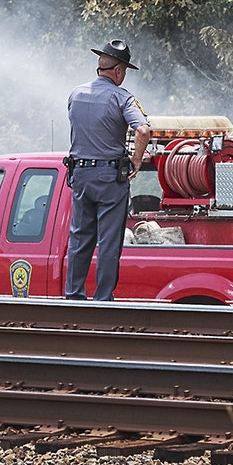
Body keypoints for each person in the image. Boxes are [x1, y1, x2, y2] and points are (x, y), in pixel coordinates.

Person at [64, 38, 151, 301]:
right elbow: (143, 130)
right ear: (119, 71)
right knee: (109, 242)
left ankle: (74, 296)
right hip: (110, 179)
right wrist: (136, 160)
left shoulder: (75, 94)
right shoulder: (122, 98)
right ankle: (102, 299)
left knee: (80, 238)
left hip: (80, 175)